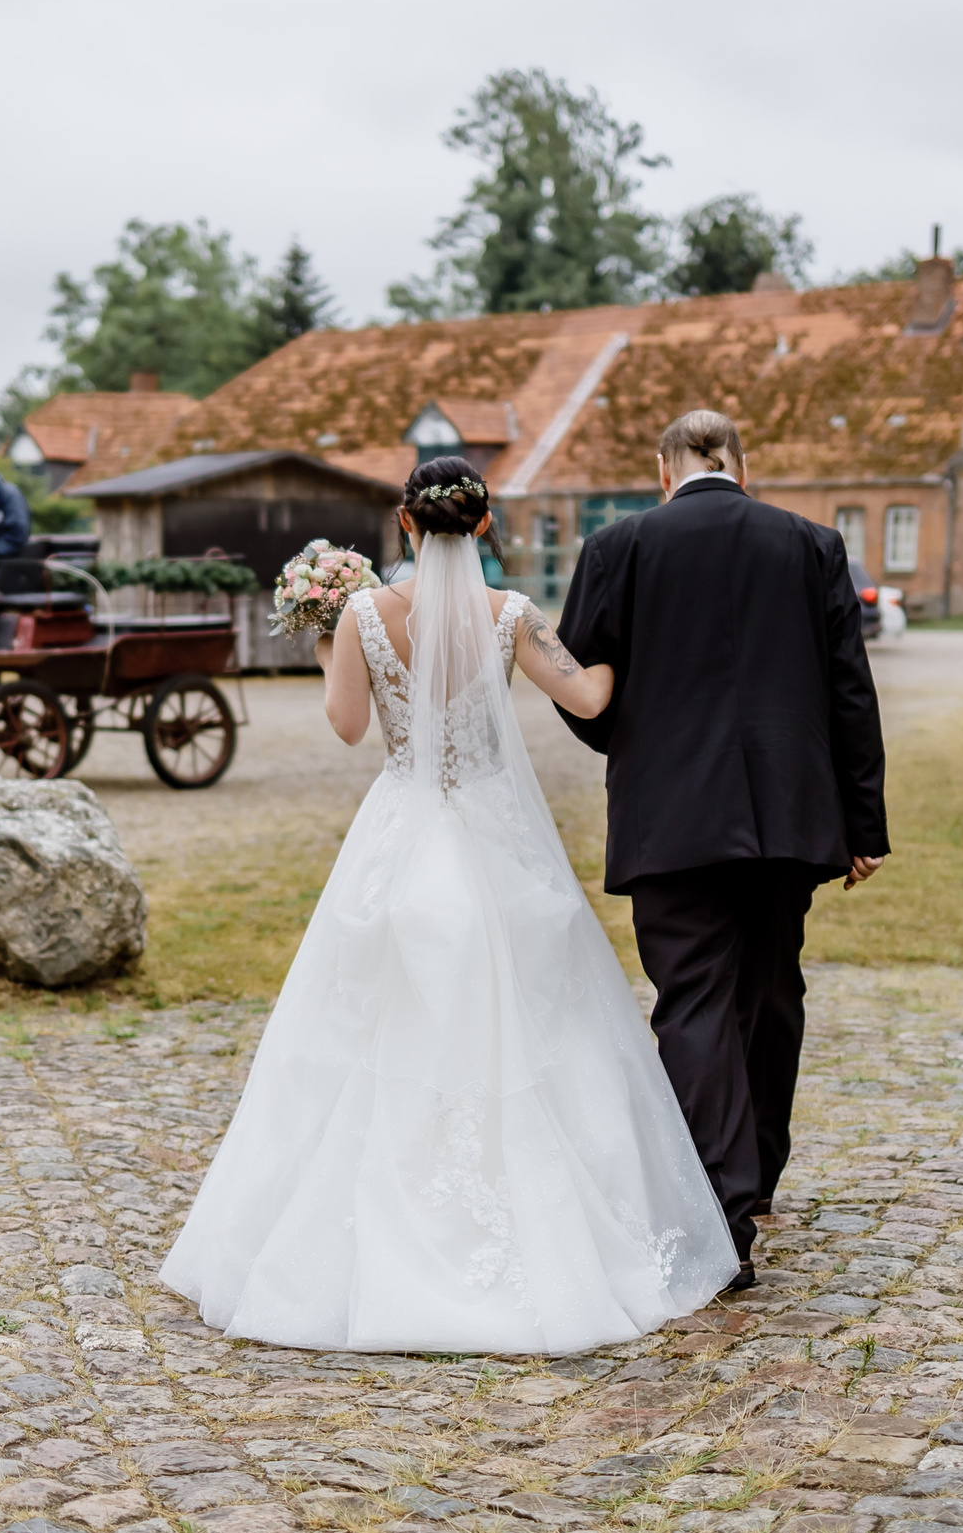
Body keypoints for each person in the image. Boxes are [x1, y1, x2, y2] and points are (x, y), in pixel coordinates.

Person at [160, 456, 735, 1353]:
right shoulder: (512, 617)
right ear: (485, 524)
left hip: (401, 834)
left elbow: (348, 724)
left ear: (403, 522)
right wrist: (632, 643)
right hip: (497, 838)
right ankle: (559, 1242)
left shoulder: (360, 614)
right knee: (540, 1024)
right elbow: (587, 693)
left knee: (371, 1027)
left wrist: (326, 638)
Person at [553, 410, 888, 1289]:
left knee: (694, 999)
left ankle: (721, 1219)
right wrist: (864, 824)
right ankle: (759, 1177)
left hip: (672, 817)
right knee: (773, 990)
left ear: (663, 471)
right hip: (789, 816)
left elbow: (578, 687)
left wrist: (644, 749)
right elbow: (850, 690)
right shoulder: (811, 545)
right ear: (743, 464)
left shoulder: (615, 549)